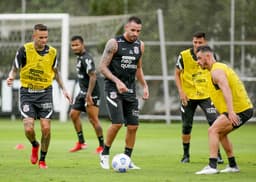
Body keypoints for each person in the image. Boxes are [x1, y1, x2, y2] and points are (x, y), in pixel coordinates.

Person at [6, 24, 72, 169]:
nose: (44, 40)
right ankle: (34, 145)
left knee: (46, 129)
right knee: (29, 129)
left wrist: (64, 89)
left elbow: (56, 73)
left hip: (45, 93)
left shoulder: (53, 52)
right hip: (27, 93)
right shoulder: (24, 50)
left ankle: (42, 159)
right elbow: (14, 68)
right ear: (34, 37)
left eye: (46, 37)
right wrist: (11, 77)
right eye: (41, 37)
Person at [99, 16, 149, 170]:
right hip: (113, 88)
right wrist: (117, 81)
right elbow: (102, 67)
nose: (135, 33)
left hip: (130, 89)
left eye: (138, 31)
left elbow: (138, 68)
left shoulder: (140, 45)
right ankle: (104, 153)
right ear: (126, 27)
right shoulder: (114, 43)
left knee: (133, 126)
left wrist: (145, 86)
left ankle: (127, 159)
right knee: (117, 123)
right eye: (133, 30)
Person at [195, 45, 253, 175]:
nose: (198, 61)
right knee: (220, 133)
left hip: (239, 110)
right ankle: (232, 165)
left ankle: (212, 165)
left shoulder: (217, 71)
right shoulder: (216, 69)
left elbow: (226, 88)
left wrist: (231, 112)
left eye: (199, 58)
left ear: (208, 56)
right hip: (242, 109)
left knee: (213, 130)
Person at [174, 32, 223, 164]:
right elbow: (177, 74)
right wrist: (181, 91)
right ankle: (186, 155)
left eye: (200, 43)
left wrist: (217, 92)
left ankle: (217, 154)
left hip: (207, 95)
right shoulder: (184, 55)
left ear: (205, 43)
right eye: (195, 42)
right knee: (186, 126)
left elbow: (216, 73)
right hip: (188, 96)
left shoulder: (211, 56)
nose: (197, 45)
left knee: (215, 123)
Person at [69, 35, 104, 154]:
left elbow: (93, 76)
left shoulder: (86, 58)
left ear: (82, 45)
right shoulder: (79, 58)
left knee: (93, 120)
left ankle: (102, 146)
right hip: (83, 92)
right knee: (73, 114)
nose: (74, 47)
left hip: (91, 93)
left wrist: (88, 95)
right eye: (72, 45)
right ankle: (81, 142)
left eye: (76, 45)